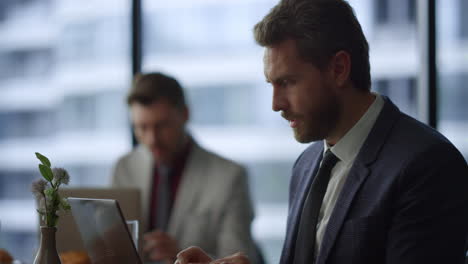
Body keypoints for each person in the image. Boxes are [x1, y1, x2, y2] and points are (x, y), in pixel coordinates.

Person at [175, 0, 468, 264]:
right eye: (271, 84)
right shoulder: (306, 164)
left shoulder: (428, 165)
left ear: (339, 68)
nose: (276, 104)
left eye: (288, 82)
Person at [111, 72, 259, 264]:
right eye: (141, 127)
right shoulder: (124, 168)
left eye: (162, 126)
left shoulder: (229, 177)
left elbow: (240, 259)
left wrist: (183, 254)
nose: (152, 139)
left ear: (185, 115)